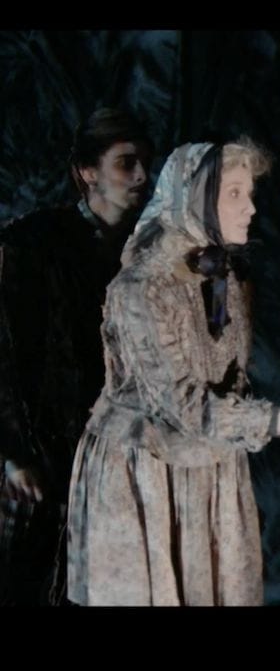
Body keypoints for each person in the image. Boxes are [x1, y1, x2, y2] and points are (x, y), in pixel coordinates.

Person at [66, 139, 280, 606]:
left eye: (250, 193)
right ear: (196, 198)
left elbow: (229, 380)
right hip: (148, 470)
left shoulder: (227, 278)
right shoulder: (141, 289)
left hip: (213, 465)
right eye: (234, 193)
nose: (250, 208)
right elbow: (181, 405)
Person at [0, 108, 153, 605]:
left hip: (118, 454)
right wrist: (14, 454)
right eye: (126, 163)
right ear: (87, 172)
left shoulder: (150, 253)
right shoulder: (33, 244)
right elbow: (5, 354)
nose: (141, 176)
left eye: (144, 162)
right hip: (43, 456)